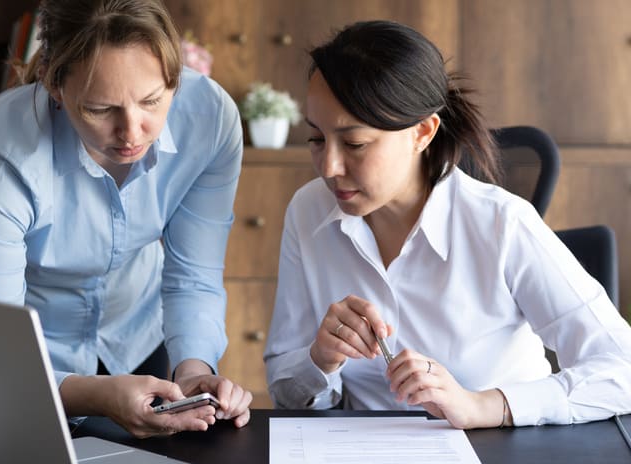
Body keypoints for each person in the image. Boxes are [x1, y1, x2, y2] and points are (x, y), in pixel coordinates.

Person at [264, 20, 631, 428]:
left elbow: (622, 370)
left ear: (422, 132)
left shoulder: (502, 223)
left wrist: (483, 406)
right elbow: (286, 390)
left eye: (355, 144)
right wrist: (320, 359)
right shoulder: (307, 211)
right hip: (363, 457)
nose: (329, 167)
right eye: (316, 139)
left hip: (502, 454)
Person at [0, 0, 251, 438]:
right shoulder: (3, 153)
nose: (132, 132)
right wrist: (94, 394)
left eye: (152, 101)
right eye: (101, 109)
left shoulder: (210, 121)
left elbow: (194, 275)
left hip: (134, 331)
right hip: (21, 349)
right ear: (54, 85)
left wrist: (194, 370)